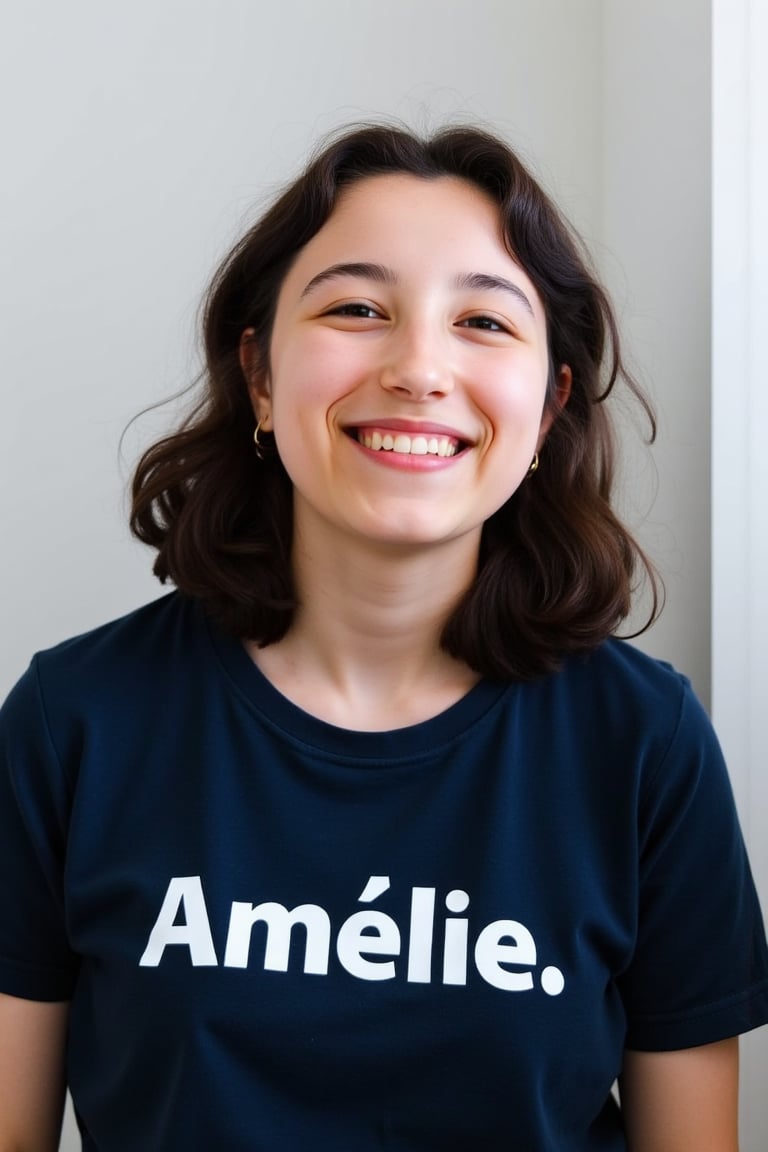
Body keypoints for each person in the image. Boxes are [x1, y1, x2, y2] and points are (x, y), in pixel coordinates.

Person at [1, 123, 766, 1152]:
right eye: (357, 309)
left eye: (484, 323)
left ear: (547, 411)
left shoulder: (646, 744)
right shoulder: (73, 722)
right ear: (261, 374)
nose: (418, 367)